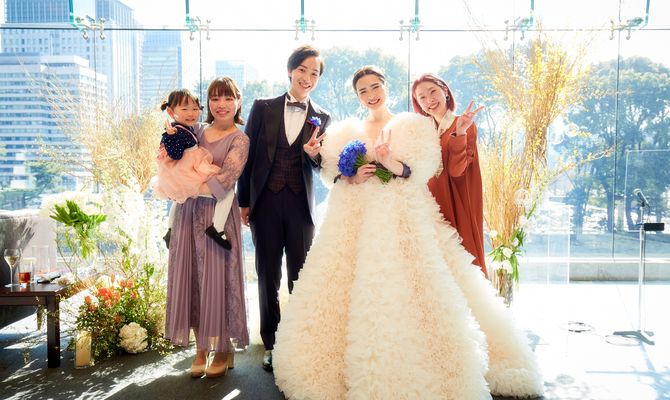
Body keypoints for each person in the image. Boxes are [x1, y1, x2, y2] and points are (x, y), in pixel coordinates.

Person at [272, 66, 543, 399]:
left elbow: (420, 170)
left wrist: (389, 163)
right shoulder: (346, 131)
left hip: (400, 213)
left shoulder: (412, 125)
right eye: (363, 91)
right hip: (354, 214)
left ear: (386, 87)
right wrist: (350, 175)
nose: (371, 95)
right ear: (357, 97)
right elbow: (333, 175)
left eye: (375, 87)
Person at [237, 45, 331, 372]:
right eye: (302, 70)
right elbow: (247, 158)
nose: (307, 78)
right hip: (264, 202)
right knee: (267, 275)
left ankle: (299, 342)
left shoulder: (322, 117)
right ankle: (272, 343)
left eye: (314, 73)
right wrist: (244, 202)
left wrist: (314, 154)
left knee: (300, 277)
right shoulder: (262, 107)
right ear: (290, 71)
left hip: (301, 206)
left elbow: (321, 165)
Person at [165, 77, 250, 379]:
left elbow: (225, 180)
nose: (221, 104)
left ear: (238, 102)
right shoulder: (196, 130)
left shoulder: (240, 139)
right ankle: (200, 348)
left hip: (218, 218)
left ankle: (223, 349)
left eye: (227, 98)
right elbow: (173, 163)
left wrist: (189, 183)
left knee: (218, 280)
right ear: (208, 103)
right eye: (215, 98)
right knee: (193, 280)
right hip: (188, 213)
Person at [411, 73, 488, 277]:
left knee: (462, 260)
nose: (429, 100)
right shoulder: (425, 130)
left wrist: (460, 132)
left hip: (456, 199)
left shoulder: (463, 124)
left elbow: (457, 170)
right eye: (422, 97)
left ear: (445, 91)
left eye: (433, 92)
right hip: (432, 203)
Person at [153, 89, 235, 250]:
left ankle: (170, 229)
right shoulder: (174, 132)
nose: (191, 113)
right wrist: (172, 137)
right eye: (184, 109)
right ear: (171, 112)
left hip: (191, 167)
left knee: (180, 198)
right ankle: (217, 228)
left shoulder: (188, 127)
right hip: (187, 170)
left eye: (195, 109)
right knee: (227, 193)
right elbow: (176, 155)